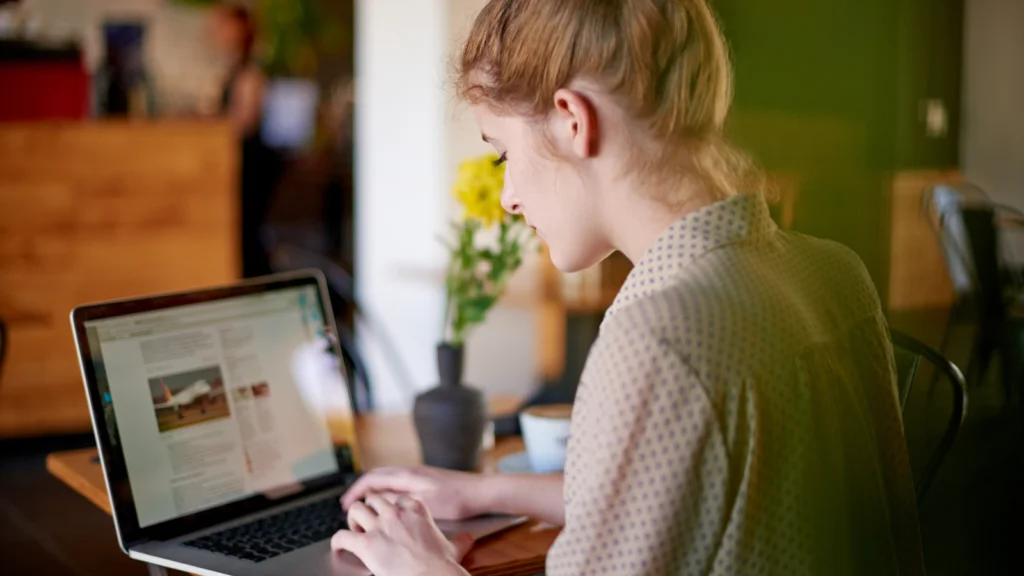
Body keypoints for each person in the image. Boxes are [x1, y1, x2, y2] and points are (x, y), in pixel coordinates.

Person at [331, 1, 925, 574]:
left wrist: (423, 567)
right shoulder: (835, 273)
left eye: (504, 153)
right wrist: (488, 490)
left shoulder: (661, 341)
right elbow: (685, 493)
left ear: (572, 120)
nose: (508, 195)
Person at [206, 2, 280, 278]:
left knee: (247, 230)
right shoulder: (233, 69)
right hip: (238, 159)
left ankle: (258, 282)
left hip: (251, 161)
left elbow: (244, 121)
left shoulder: (250, 72)